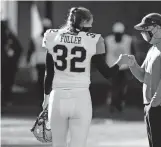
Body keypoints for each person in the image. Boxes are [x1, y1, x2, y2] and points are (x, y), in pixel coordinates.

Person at [41, 7, 127, 147]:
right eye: (90, 23)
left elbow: (49, 72)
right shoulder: (94, 40)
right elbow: (107, 73)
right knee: (78, 144)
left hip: (57, 96)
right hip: (81, 97)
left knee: (58, 144)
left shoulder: (52, 36)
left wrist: (46, 98)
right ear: (84, 22)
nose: (91, 27)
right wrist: (121, 62)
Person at [124, 13, 161, 147]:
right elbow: (144, 77)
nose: (143, 33)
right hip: (153, 105)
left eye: (146, 29)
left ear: (156, 28)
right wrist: (133, 65)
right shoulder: (154, 48)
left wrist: (153, 104)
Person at [105, 22, 135, 112]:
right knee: (114, 87)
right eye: (116, 34)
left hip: (124, 67)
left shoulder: (128, 40)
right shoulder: (108, 40)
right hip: (112, 67)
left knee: (122, 87)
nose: (118, 37)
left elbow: (133, 52)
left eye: (119, 35)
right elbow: (103, 53)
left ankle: (118, 103)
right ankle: (113, 104)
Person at [27, 18, 52, 107]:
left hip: (39, 60)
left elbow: (30, 50)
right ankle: (47, 95)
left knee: (41, 79)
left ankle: (41, 96)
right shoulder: (52, 39)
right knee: (49, 79)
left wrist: (28, 60)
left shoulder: (36, 38)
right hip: (49, 60)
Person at [1, 20, 22, 107]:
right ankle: (6, 99)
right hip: (9, 64)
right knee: (7, 83)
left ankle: (5, 99)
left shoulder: (9, 37)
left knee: (6, 82)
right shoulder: (10, 36)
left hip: (6, 63)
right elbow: (19, 49)